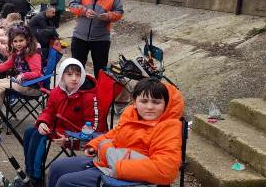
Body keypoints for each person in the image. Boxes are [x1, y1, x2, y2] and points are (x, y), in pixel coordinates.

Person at [47, 78, 184, 187]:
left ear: (165, 105)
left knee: (67, 182)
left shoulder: (168, 127)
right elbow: (114, 134)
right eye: (144, 101)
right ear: (135, 103)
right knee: (57, 167)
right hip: (109, 161)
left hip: (128, 175)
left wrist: (119, 167)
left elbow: (166, 170)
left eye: (156, 102)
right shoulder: (131, 115)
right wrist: (94, 145)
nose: (149, 107)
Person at [23, 58, 108, 183]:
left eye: (78, 75)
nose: (74, 78)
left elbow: (96, 129)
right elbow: (48, 111)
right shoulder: (57, 92)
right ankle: (30, 171)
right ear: (62, 75)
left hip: (77, 135)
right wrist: (42, 122)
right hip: (58, 129)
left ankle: (35, 178)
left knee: (37, 135)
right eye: (69, 74)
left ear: (83, 76)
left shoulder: (90, 96)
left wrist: (71, 141)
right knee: (30, 131)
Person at [68, 0, 123, 78]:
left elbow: (119, 12)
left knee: (101, 71)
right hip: (80, 36)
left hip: (101, 39)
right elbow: (72, 5)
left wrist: (108, 16)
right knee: (76, 68)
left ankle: (99, 93)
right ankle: (79, 92)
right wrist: (84, 11)